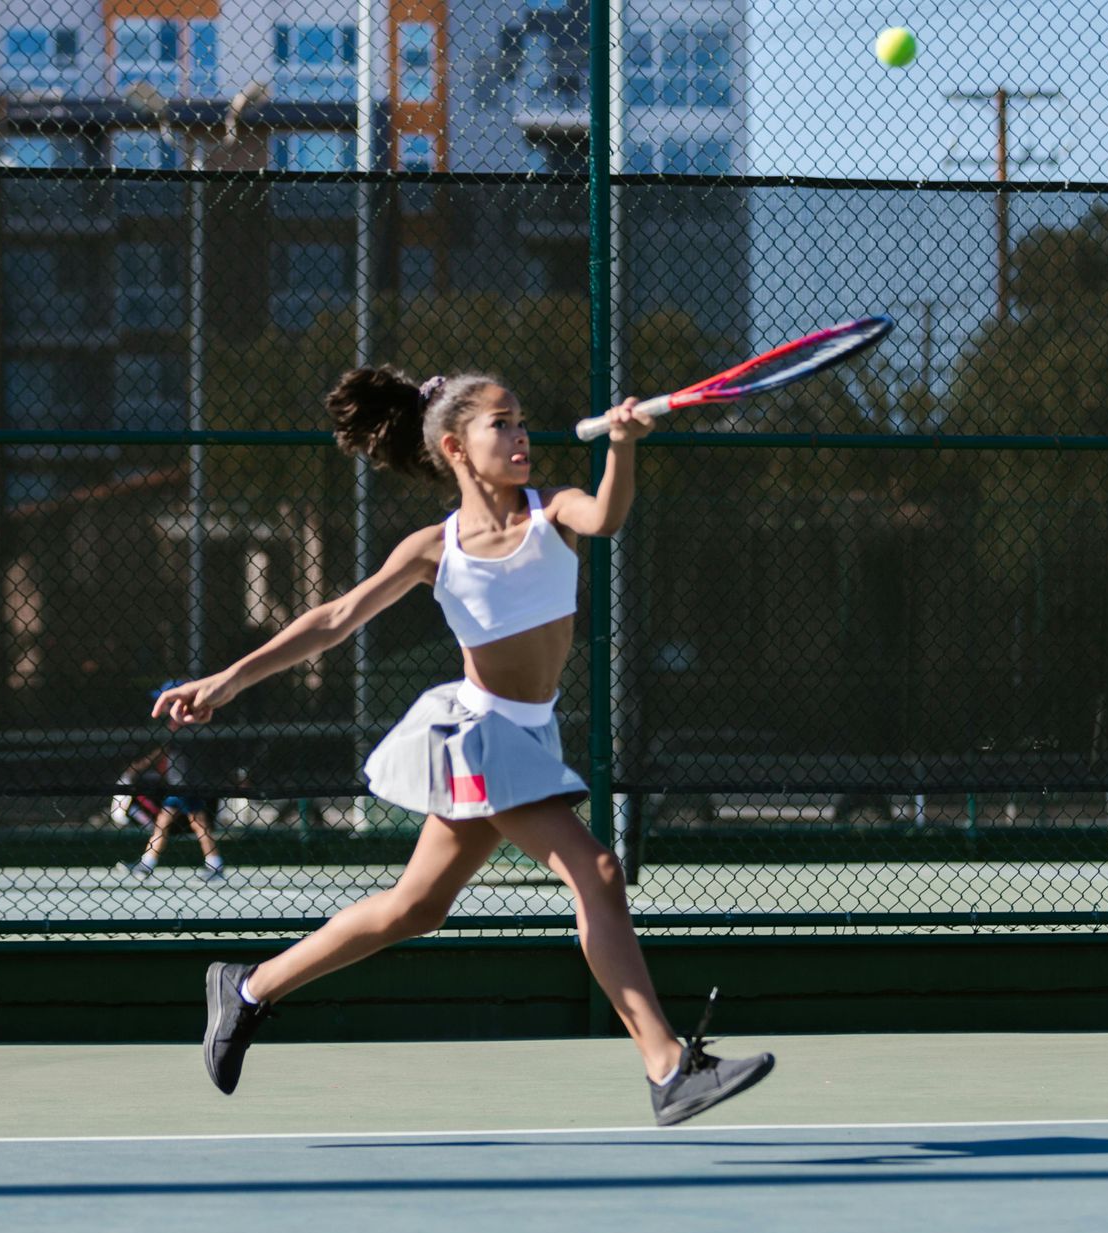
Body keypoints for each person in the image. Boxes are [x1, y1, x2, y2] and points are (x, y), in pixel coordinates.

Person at [151, 367, 774, 1128]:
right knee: (598, 870)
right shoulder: (432, 549)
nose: (521, 437)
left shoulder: (554, 512)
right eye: (501, 424)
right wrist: (227, 679)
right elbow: (333, 619)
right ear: (455, 447)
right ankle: (667, 1065)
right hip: (479, 734)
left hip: (527, 734)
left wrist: (622, 445)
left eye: (522, 422)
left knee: (415, 908)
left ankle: (248, 989)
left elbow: (608, 515)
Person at [117, 682, 226, 882]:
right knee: (178, 824)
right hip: (180, 783)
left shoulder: (185, 723)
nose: (163, 704)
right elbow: (166, 749)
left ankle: (213, 865)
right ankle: (149, 864)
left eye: (168, 700)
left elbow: (167, 750)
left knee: (187, 824)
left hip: (185, 784)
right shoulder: (177, 724)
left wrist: (141, 765)